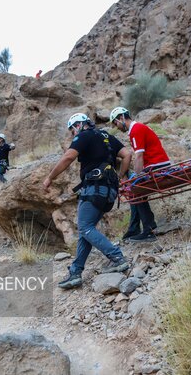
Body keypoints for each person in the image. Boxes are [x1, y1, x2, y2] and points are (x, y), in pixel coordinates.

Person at [43, 113, 132, 289]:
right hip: (109, 191)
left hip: (94, 189)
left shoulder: (84, 135)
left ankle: (117, 257)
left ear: (78, 125)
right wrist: (120, 176)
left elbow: (68, 157)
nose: (72, 134)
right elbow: (127, 154)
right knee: (87, 229)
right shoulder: (107, 136)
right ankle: (75, 272)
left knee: (85, 227)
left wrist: (49, 178)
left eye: (72, 130)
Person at [109, 107, 171, 243]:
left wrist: (137, 176)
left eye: (115, 123)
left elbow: (139, 157)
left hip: (157, 165)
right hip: (156, 164)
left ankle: (147, 230)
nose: (116, 127)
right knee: (132, 187)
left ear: (121, 118)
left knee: (134, 189)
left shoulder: (135, 130)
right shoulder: (137, 129)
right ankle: (136, 228)